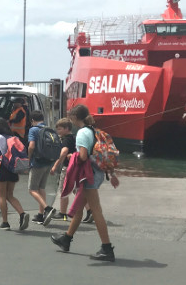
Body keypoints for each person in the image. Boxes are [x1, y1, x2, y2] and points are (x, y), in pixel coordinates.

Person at [50, 104, 119, 262]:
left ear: (74, 118)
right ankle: (66, 239)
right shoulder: (94, 131)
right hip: (99, 173)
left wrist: (71, 157)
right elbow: (99, 154)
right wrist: (112, 174)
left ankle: (107, 249)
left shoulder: (82, 133)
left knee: (96, 211)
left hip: (89, 176)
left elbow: (82, 156)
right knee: (79, 209)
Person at [27, 110, 55, 225]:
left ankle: (47, 209)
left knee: (32, 189)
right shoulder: (50, 130)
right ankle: (41, 214)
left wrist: (28, 159)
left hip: (37, 163)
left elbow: (31, 146)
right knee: (41, 188)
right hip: (48, 162)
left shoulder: (33, 130)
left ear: (32, 120)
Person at [49, 118, 75, 221]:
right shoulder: (74, 138)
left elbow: (64, 152)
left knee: (63, 190)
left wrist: (55, 165)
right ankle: (89, 211)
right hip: (76, 167)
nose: (58, 131)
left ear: (66, 129)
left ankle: (63, 213)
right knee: (77, 190)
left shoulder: (66, 139)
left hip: (67, 167)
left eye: (60, 129)